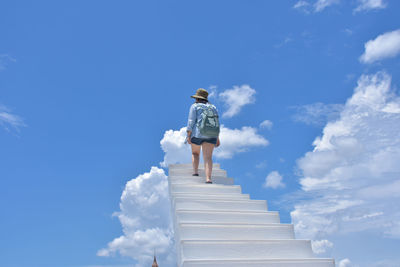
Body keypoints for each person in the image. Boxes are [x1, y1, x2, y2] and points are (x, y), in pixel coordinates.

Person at [186, 88, 220, 184]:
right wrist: (217, 137)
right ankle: (208, 178)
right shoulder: (213, 107)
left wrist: (188, 134)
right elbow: (217, 122)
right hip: (211, 134)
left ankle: (195, 172)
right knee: (208, 157)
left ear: (197, 98)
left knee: (195, 153)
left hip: (198, 134)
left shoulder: (194, 106)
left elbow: (191, 121)